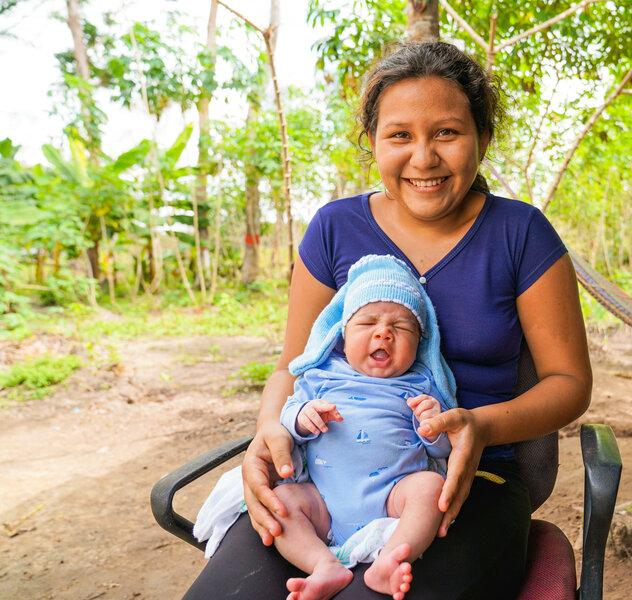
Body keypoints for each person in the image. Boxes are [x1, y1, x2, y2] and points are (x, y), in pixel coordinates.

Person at [183, 41, 592, 600]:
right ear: (373, 143)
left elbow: (569, 384)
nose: (423, 157)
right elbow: (291, 365)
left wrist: (480, 426)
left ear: (483, 139)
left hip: (459, 483)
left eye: (446, 132)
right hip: (320, 478)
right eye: (400, 135)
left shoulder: (520, 234)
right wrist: (270, 429)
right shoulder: (333, 229)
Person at [274, 254, 456, 600]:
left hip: (393, 499)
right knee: (282, 502)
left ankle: (390, 559)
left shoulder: (422, 385)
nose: (383, 333)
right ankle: (322, 565)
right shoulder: (322, 375)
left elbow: (444, 451)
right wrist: (302, 418)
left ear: (420, 342)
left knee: (431, 488)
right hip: (322, 501)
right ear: (342, 334)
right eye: (367, 323)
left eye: (401, 327)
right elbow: (287, 416)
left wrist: (433, 425)